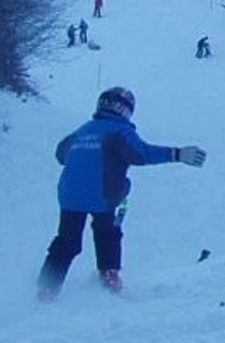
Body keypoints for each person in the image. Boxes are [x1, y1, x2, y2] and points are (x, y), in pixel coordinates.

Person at [40, 85, 206, 298]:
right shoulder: (119, 131)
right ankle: (109, 277)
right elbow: (141, 154)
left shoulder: (83, 130)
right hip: (103, 195)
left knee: (67, 241)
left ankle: (47, 286)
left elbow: (60, 154)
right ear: (125, 110)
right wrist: (177, 154)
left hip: (69, 195)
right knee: (108, 234)